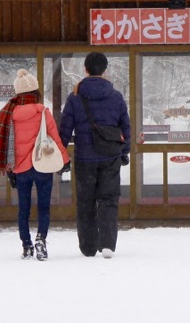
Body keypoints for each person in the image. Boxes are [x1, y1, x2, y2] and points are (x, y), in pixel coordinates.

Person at [59, 51, 131, 259]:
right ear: (105, 70)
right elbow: (125, 127)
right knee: (109, 200)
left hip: (85, 159)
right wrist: (124, 152)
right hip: (110, 158)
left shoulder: (75, 97)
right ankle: (107, 244)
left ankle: (88, 246)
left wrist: (62, 156)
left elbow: (65, 129)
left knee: (85, 202)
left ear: (86, 69)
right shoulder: (116, 97)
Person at [0, 68, 66, 261]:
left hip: (21, 169)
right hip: (42, 165)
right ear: (36, 92)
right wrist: (65, 160)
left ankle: (26, 246)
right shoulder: (42, 112)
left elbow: (7, 143)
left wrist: (9, 169)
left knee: (23, 210)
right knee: (44, 208)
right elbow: (55, 139)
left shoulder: (10, 114)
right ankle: (41, 239)